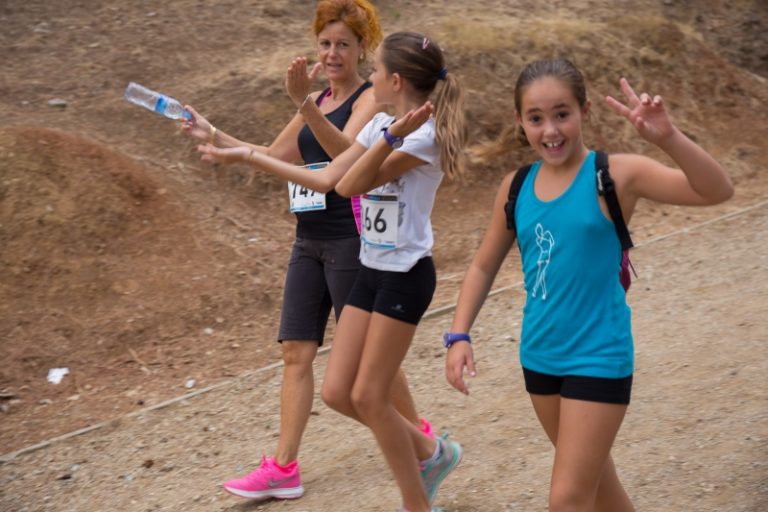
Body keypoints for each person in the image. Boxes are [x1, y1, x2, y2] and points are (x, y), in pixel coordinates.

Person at [444, 58, 734, 511]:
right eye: (536, 118)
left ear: (585, 110)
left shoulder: (614, 175)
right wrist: (459, 334)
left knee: (568, 499)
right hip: (539, 357)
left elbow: (717, 191)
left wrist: (668, 138)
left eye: (562, 114)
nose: (550, 130)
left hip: (598, 357)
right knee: (600, 489)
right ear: (520, 121)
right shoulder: (515, 187)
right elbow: (483, 266)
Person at [199, 31, 467, 512]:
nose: (371, 77)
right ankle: (432, 451)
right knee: (339, 392)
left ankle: (417, 503)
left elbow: (350, 184)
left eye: (377, 69)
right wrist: (245, 154)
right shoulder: (383, 123)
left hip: (406, 275)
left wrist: (388, 139)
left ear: (396, 81)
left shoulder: (421, 136)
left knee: (369, 395)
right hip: (371, 268)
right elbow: (324, 176)